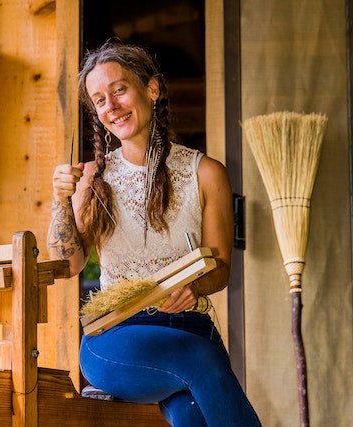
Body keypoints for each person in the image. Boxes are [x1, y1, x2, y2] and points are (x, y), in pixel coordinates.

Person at [47, 40, 261, 427]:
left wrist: (195, 288)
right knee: (202, 360)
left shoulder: (206, 173)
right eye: (99, 100)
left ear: (152, 89)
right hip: (116, 335)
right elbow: (70, 263)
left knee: (191, 414)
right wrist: (61, 200)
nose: (110, 106)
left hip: (189, 327)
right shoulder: (94, 178)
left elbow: (221, 267)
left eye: (119, 90)